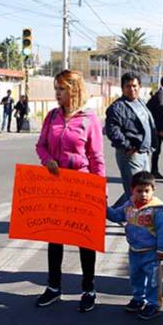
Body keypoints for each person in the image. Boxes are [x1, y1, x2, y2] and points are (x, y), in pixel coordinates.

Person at [35, 70, 105, 312]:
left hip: (82, 186)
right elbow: (41, 145)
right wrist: (47, 161)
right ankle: (54, 287)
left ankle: (89, 288)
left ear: (74, 90)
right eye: (56, 88)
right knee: (55, 238)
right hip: (56, 185)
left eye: (61, 89)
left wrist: (99, 191)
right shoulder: (52, 116)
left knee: (85, 240)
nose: (57, 93)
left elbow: (97, 158)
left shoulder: (89, 120)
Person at [106, 171, 163, 320]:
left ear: (153, 190)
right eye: (139, 191)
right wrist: (104, 208)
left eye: (147, 191)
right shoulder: (129, 205)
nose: (143, 195)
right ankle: (138, 298)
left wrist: (162, 248)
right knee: (136, 277)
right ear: (132, 190)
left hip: (151, 252)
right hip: (134, 251)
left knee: (153, 280)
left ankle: (153, 304)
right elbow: (116, 216)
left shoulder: (156, 210)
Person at [105, 72, 157, 209]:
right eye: (128, 86)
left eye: (134, 86)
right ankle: (132, 219)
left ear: (139, 86)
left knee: (141, 187)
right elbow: (112, 131)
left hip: (144, 153)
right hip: (130, 154)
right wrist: (128, 146)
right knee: (135, 190)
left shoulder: (140, 103)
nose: (132, 89)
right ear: (122, 88)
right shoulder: (117, 107)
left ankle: (114, 212)